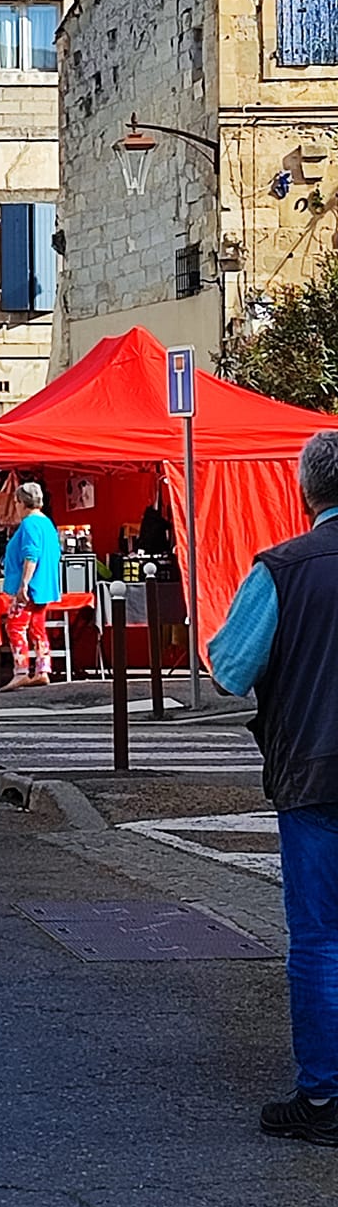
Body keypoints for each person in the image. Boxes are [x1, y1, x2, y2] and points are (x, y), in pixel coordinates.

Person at [210, 430, 338, 1147]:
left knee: (321, 937)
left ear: (305, 492)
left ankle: (323, 1099)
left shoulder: (283, 569)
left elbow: (230, 666)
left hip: (315, 770)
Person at [1, 481, 63, 691]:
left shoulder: (29, 524)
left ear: (21, 502)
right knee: (37, 627)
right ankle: (42, 669)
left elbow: (31, 554)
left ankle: (21, 671)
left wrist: (23, 585)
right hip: (45, 585)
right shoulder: (47, 523)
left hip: (30, 585)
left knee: (15, 626)